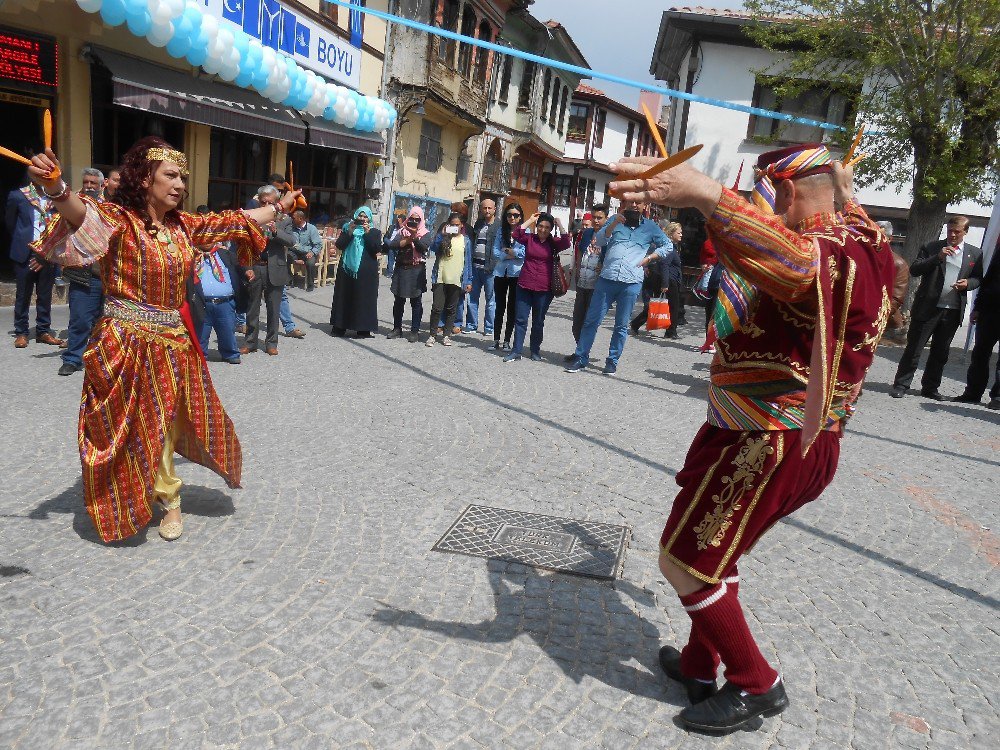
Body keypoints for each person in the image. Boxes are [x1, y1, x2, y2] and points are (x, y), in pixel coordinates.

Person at [609, 143, 894, 734]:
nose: (767, 211)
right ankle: (697, 663)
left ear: (787, 193)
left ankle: (755, 685)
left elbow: (794, 265)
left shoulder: (839, 253)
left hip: (770, 438)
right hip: (759, 431)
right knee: (718, 553)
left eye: (771, 197)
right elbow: (796, 244)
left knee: (684, 560)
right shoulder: (866, 240)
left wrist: (708, 194)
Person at [28, 135, 299, 542]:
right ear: (144, 179)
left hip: (171, 344)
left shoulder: (185, 226)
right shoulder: (118, 220)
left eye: (183, 178)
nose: (180, 185)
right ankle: (125, 495)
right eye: (171, 175)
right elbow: (77, 215)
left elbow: (235, 220)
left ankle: (170, 500)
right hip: (123, 342)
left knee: (164, 424)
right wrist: (55, 187)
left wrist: (279, 206)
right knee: (117, 429)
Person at [564, 200, 671, 375]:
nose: (635, 205)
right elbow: (599, 240)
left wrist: (651, 257)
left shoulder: (651, 227)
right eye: (632, 201)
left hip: (631, 283)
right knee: (591, 320)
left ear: (645, 206)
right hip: (607, 279)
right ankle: (581, 357)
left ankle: (612, 361)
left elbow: (668, 245)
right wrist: (613, 223)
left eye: (639, 202)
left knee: (621, 325)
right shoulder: (614, 219)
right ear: (627, 202)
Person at [890, 216, 982, 399]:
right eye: (950, 231)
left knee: (940, 352)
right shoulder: (932, 247)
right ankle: (902, 384)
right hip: (928, 308)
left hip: (953, 310)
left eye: (957, 231)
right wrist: (937, 257)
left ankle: (930, 388)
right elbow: (915, 269)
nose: (953, 235)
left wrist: (968, 284)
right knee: (914, 349)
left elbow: (978, 278)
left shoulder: (974, 253)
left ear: (965, 232)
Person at [503, 212, 571, 363]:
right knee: (520, 319)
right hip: (524, 285)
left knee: (538, 320)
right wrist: (530, 220)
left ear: (551, 229)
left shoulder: (554, 243)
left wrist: (559, 224)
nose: (543, 230)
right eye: (540, 226)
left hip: (544, 288)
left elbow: (567, 242)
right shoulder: (529, 239)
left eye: (547, 227)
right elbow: (515, 233)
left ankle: (535, 350)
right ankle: (516, 350)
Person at [6, 177, 65, 349]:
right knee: (23, 294)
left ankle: (43, 331)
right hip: (25, 251)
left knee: (45, 294)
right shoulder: (18, 196)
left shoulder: (54, 198)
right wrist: (22, 239)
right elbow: (10, 223)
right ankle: (21, 332)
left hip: (47, 253)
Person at [58, 181, 106, 375]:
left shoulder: (115, 211)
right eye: (85, 182)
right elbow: (58, 232)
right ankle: (72, 358)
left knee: (106, 322)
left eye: (93, 183)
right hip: (85, 275)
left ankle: (101, 359)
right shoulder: (76, 214)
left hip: (112, 278)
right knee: (80, 319)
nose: (89, 186)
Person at [241, 185, 294, 356]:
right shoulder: (252, 218)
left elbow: (291, 241)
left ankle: (271, 342)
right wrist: (247, 267)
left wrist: (275, 231)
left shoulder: (285, 219)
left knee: (273, 309)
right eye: (262, 201)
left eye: (268, 202)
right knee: (252, 308)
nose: (264, 205)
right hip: (256, 267)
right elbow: (244, 245)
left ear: (277, 202)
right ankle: (250, 342)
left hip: (275, 269)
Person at [953, 246, 999, 409]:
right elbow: (988, 279)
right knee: (980, 353)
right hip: (990, 310)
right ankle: (973, 392)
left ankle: (998, 397)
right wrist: (977, 307)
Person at [330, 206, 382, 338]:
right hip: (347, 270)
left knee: (364, 299)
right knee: (344, 297)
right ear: (356, 216)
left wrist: (367, 233)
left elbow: (375, 249)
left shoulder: (374, 232)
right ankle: (339, 327)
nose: (363, 219)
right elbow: (340, 245)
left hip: (366, 272)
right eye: (360, 216)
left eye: (365, 217)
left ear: (369, 218)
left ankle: (363, 329)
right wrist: (350, 232)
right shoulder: (348, 228)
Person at [191, 241, 245, 365]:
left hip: (225, 302)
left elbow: (239, 266)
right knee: (201, 334)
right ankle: (200, 355)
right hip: (202, 303)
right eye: (202, 239)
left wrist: (248, 271)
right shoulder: (193, 256)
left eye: (209, 238)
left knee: (227, 330)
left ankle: (230, 353)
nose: (206, 241)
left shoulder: (225, 254)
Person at [426, 211, 472, 347]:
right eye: (452, 225)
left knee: (452, 309)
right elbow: (432, 248)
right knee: (437, 307)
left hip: (457, 279)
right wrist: (442, 234)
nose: (454, 227)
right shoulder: (443, 237)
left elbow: (467, 262)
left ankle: (446, 335)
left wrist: (469, 280)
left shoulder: (466, 240)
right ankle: (432, 335)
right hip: (440, 277)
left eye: (457, 225)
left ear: (461, 225)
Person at [386, 206, 430, 342]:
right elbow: (392, 245)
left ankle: (414, 331)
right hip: (401, 268)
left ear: (421, 220)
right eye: (412, 218)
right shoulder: (401, 231)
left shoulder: (425, 233)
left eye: (417, 219)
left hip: (416, 270)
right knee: (398, 301)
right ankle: (397, 328)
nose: (414, 221)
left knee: (416, 302)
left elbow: (423, 247)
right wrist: (407, 240)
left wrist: (414, 237)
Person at [491, 202, 526, 351]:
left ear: (520, 217)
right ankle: (496, 339)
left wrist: (509, 252)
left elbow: (525, 253)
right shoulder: (501, 231)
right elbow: (495, 252)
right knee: (499, 306)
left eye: (516, 215)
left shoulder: (526, 232)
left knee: (512, 307)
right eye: (509, 215)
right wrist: (510, 255)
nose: (512, 217)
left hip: (516, 274)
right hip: (500, 273)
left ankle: (506, 341)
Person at [465, 198, 501, 335]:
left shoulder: (499, 225)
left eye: (489, 208)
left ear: (494, 209)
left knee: (490, 300)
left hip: (490, 269)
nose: (486, 211)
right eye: (484, 208)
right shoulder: (478, 223)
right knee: (472, 298)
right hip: (475, 267)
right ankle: (471, 325)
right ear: (481, 209)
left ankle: (489, 328)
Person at [290, 208, 323, 292]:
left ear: (300, 219)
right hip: (295, 252)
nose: (292, 219)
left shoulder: (311, 229)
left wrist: (312, 252)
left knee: (310, 263)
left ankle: (310, 284)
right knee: (286, 257)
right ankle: (289, 280)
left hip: (308, 253)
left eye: (294, 218)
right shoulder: (292, 228)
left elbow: (318, 244)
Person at [383, 208, 406, 277]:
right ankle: (390, 273)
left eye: (400, 221)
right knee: (391, 252)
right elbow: (385, 237)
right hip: (390, 244)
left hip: (398, 246)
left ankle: (395, 273)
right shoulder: (392, 227)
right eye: (398, 221)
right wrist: (390, 243)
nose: (398, 222)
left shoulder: (404, 229)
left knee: (396, 254)